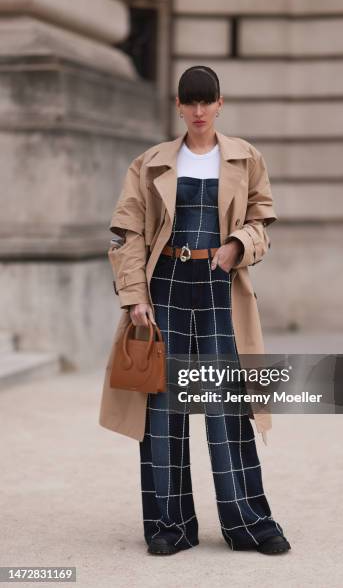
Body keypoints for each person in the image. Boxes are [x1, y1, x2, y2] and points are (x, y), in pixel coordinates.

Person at [112, 65, 291, 556]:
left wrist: (237, 245)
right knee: (162, 408)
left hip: (219, 289)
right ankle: (170, 525)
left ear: (219, 104)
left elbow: (262, 223)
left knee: (227, 405)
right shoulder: (148, 163)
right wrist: (135, 297)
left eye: (205, 101)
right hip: (164, 286)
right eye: (188, 102)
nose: (197, 111)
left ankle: (248, 523)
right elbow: (128, 235)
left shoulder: (245, 157)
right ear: (177, 105)